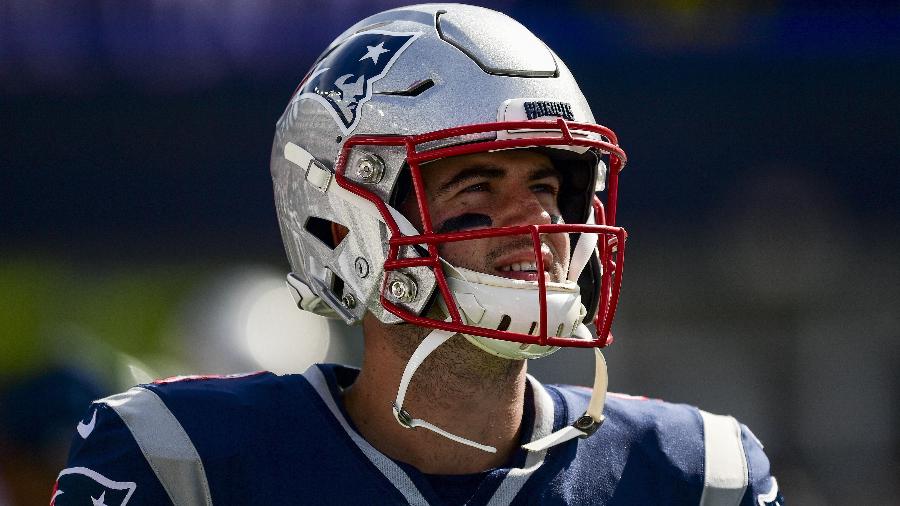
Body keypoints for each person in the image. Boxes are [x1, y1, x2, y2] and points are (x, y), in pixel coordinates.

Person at [53, 4, 783, 505]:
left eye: (547, 184)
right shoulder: (184, 464)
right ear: (341, 225)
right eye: (478, 184)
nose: (536, 219)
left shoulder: (693, 476)